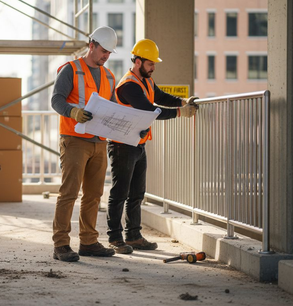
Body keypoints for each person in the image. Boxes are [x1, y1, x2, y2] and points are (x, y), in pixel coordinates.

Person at [107, 39, 198, 254]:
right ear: (138, 62)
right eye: (150, 64)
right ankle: (115, 238)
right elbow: (150, 110)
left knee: (137, 193)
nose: (153, 67)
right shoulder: (129, 85)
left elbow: (160, 96)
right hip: (122, 145)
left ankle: (134, 235)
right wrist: (179, 113)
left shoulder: (146, 81)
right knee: (120, 192)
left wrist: (182, 101)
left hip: (137, 143)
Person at [50, 26, 119, 262]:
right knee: (69, 193)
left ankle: (88, 242)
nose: (106, 56)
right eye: (103, 51)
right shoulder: (71, 70)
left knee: (93, 194)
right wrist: (73, 112)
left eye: (110, 53)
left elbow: (112, 107)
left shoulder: (109, 76)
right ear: (92, 45)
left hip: (99, 142)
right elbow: (56, 100)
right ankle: (61, 244)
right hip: (74, 140)